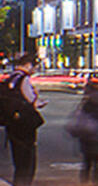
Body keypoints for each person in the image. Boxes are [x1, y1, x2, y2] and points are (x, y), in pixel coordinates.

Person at [4, 56, 45, 185]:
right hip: (24, 125)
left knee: (18, 161)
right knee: (27, 163)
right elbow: (31, 100)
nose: (34, 69)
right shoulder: (23, 79)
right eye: (34, 66)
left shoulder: (11, 79)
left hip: (12, 123)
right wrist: (39, 100)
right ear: (27, 65)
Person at [69, 73, 98, 182]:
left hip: (87, 135)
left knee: (87, 164)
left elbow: (79, 117)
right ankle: (96, 182)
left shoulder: (87, 100)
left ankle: (84, 183)